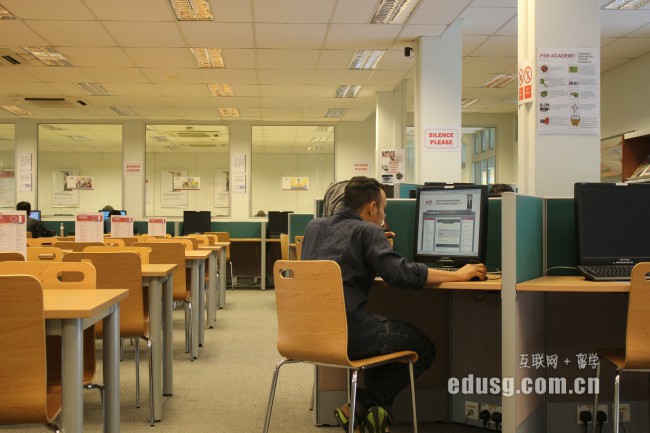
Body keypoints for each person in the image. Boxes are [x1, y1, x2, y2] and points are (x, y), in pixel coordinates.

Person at [301, 176, 486, 433]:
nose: (383, 215)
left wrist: (380, 251)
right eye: (384, 209)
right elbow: (401, 275)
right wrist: (458, 274)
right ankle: (362, 404)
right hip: (350, 335)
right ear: (372, 208)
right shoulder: (368, 231)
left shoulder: (314, 227)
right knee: (424, 348)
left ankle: (373, 413)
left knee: (383, 338)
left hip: (309, 334)